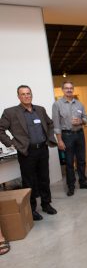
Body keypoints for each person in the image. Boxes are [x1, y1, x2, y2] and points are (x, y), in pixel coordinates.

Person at [0, 85, 57, 221]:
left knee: (44, 178)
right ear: (18, 96)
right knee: (29, 180)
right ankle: (31, 209)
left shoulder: (40, 110)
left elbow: (50, 124)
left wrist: (49, 138)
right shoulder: (11, 112)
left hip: (42, 149)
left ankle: (46, 203)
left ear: (31, 95)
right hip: (27, 152)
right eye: (23, 94)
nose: (26, 96)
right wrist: (11, 143)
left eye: (28, 93)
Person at [52, 81, 87, 196]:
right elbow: (56, 125)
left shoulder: (79, 104)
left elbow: (85, 118)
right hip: (66, 136)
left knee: (81, 160)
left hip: (79, 134)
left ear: (73, 89)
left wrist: (81, 121)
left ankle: (83, 182)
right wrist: (59, 140)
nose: (69, 90)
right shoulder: (57, 105)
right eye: (66, 88)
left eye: (71, 88)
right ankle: (71, 186)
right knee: (69, 162)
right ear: (62, 90)